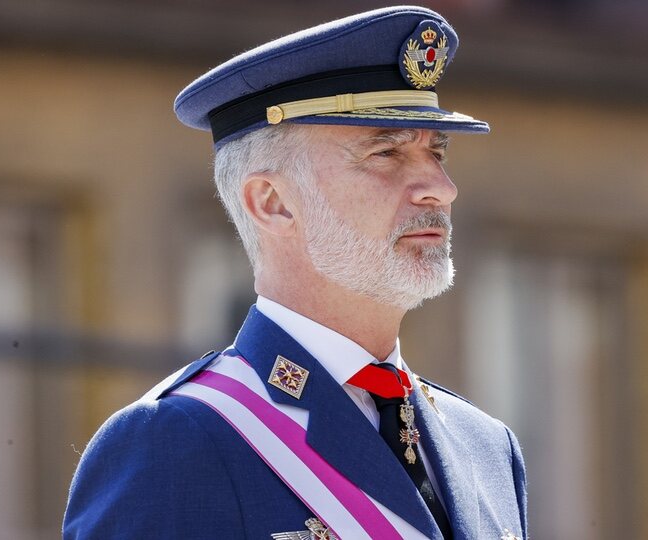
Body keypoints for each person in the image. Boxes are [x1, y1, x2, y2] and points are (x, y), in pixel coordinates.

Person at [63, 6, 527, 539]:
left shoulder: (486, 448)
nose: (441, 188)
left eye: (437, 151)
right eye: (386, 153)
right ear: (273, 202)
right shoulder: (179, 439)